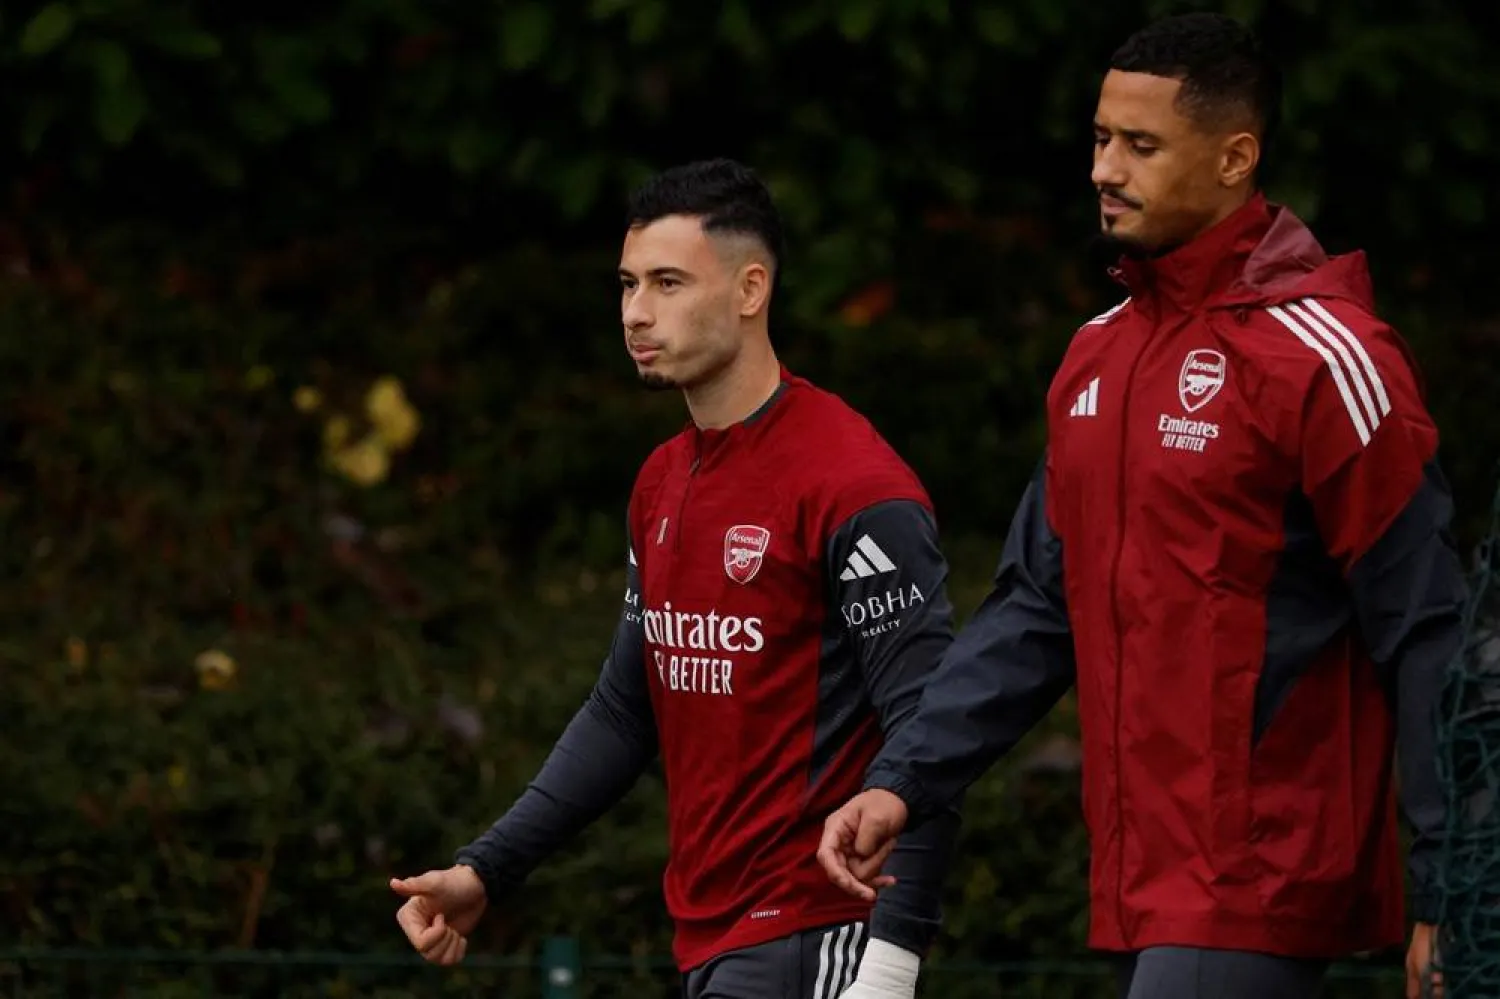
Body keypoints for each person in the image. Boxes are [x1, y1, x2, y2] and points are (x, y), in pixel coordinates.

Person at [816, 14, 1466, 999]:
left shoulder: (1326, 359)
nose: (1104, 170)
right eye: (1099, 138)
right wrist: (902, 779)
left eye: (1141, 145)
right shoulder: (1098, 354)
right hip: (1137, 882)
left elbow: (1428, 628)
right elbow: (1036, 610)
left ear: (1235, 158)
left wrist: (1451, 887)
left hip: (1259, 877)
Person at [390, 158, 962, 999]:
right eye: (628, 285)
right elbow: (626, 709)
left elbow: (931, 733)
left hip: (816, 933)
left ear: (750, 288)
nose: (635, 312)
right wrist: (486, 867)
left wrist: (891, 964)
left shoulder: (854, 486)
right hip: (709, 941)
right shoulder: (662, 481)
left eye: (667, 283)